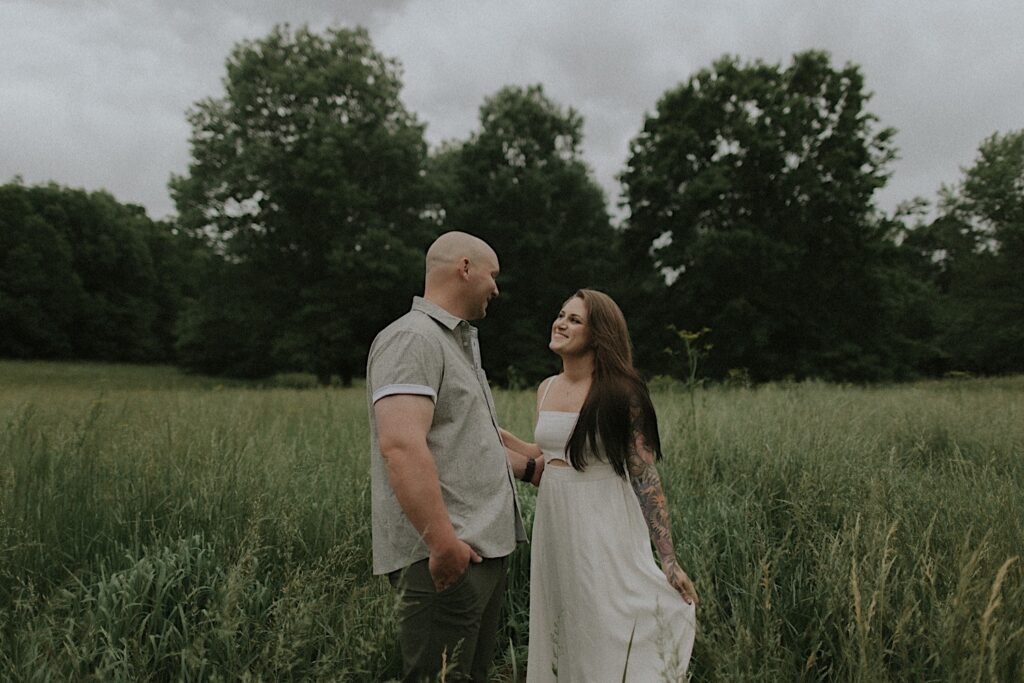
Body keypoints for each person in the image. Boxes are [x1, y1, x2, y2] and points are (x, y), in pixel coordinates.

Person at [366, 231, 541, 682]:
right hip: (444, 558)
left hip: (479, 552)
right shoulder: (412, 339)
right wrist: (443, 545)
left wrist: (536, 468)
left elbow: (468, 440)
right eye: (492, 275)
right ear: (465, 268)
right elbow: (401, 447)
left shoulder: (456, 343)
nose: (496, 288)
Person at [518, 288, 699, 681]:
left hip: (604, 520)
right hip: (556, 521)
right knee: (566, 620)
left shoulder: (622, 392)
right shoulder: (546, 388)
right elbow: (552, 452)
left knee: (607, 619)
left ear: (598, 334)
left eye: (574, 319)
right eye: (561, 314)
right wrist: (488, 431)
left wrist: (667, 559)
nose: (561, 323)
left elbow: (645, 476)